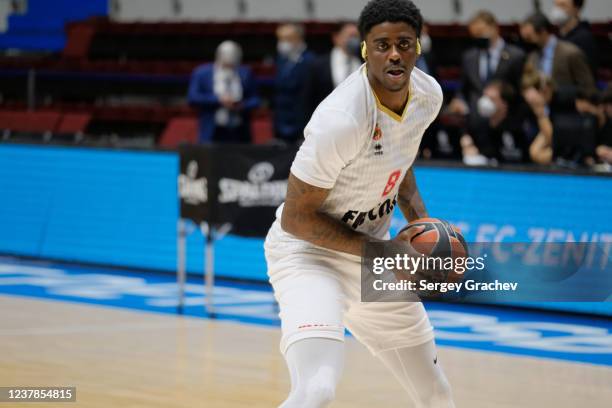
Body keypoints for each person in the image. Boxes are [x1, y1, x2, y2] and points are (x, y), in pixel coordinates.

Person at [264, 0, 454, 407]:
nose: (395, 54)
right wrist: (386, 252)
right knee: (316, 389)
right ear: (365, 49)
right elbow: (297, 219)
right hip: (309, 255)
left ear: (418, 47)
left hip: (372, 257)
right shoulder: (341, 119)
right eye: (382, 44)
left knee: (435, 393)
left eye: (404, 43)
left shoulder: (428, 95)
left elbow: (400, 162)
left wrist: (424, 231)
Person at [187, 41, 260, 144]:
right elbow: (192, 98)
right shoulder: (202, 73)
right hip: (212, 131)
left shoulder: (246, 73)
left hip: (239, 132)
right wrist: (218, 100)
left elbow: (255, 100)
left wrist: (242, 105)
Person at [520, 12, 595, 98]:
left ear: (543, 31)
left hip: (566, 106)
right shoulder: (532, 56)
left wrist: (557, 92)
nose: (527, 43)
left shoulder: (570, 53)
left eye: (529, 37)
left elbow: (588, 87)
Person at [303, 23, 362, 121]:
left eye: (357, 37)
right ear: (336, 38)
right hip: (325, 122)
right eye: (351, 36)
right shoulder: (318, 65)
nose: (354, 40)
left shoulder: (365, 63)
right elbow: (307, 99)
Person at [461, 80, 528, 164]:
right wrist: (467, 146)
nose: (485, 102)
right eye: (485, 97)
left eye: (491, 99)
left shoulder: (517, 130)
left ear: (504, 103)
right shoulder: (477, 127)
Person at [274, 23, 315, 143]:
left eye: (287, 39)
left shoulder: (310, 61)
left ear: (298, 38)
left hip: (302, 122)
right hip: (283, 121)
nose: (282, 43)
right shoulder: (281, 60)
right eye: (280, 39)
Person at [549, 0, 598, 75]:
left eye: (562, 5)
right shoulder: (556, 37)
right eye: (556, 5)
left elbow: (586, 75)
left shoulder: (584, 38)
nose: (557, 10)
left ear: (576, 9)